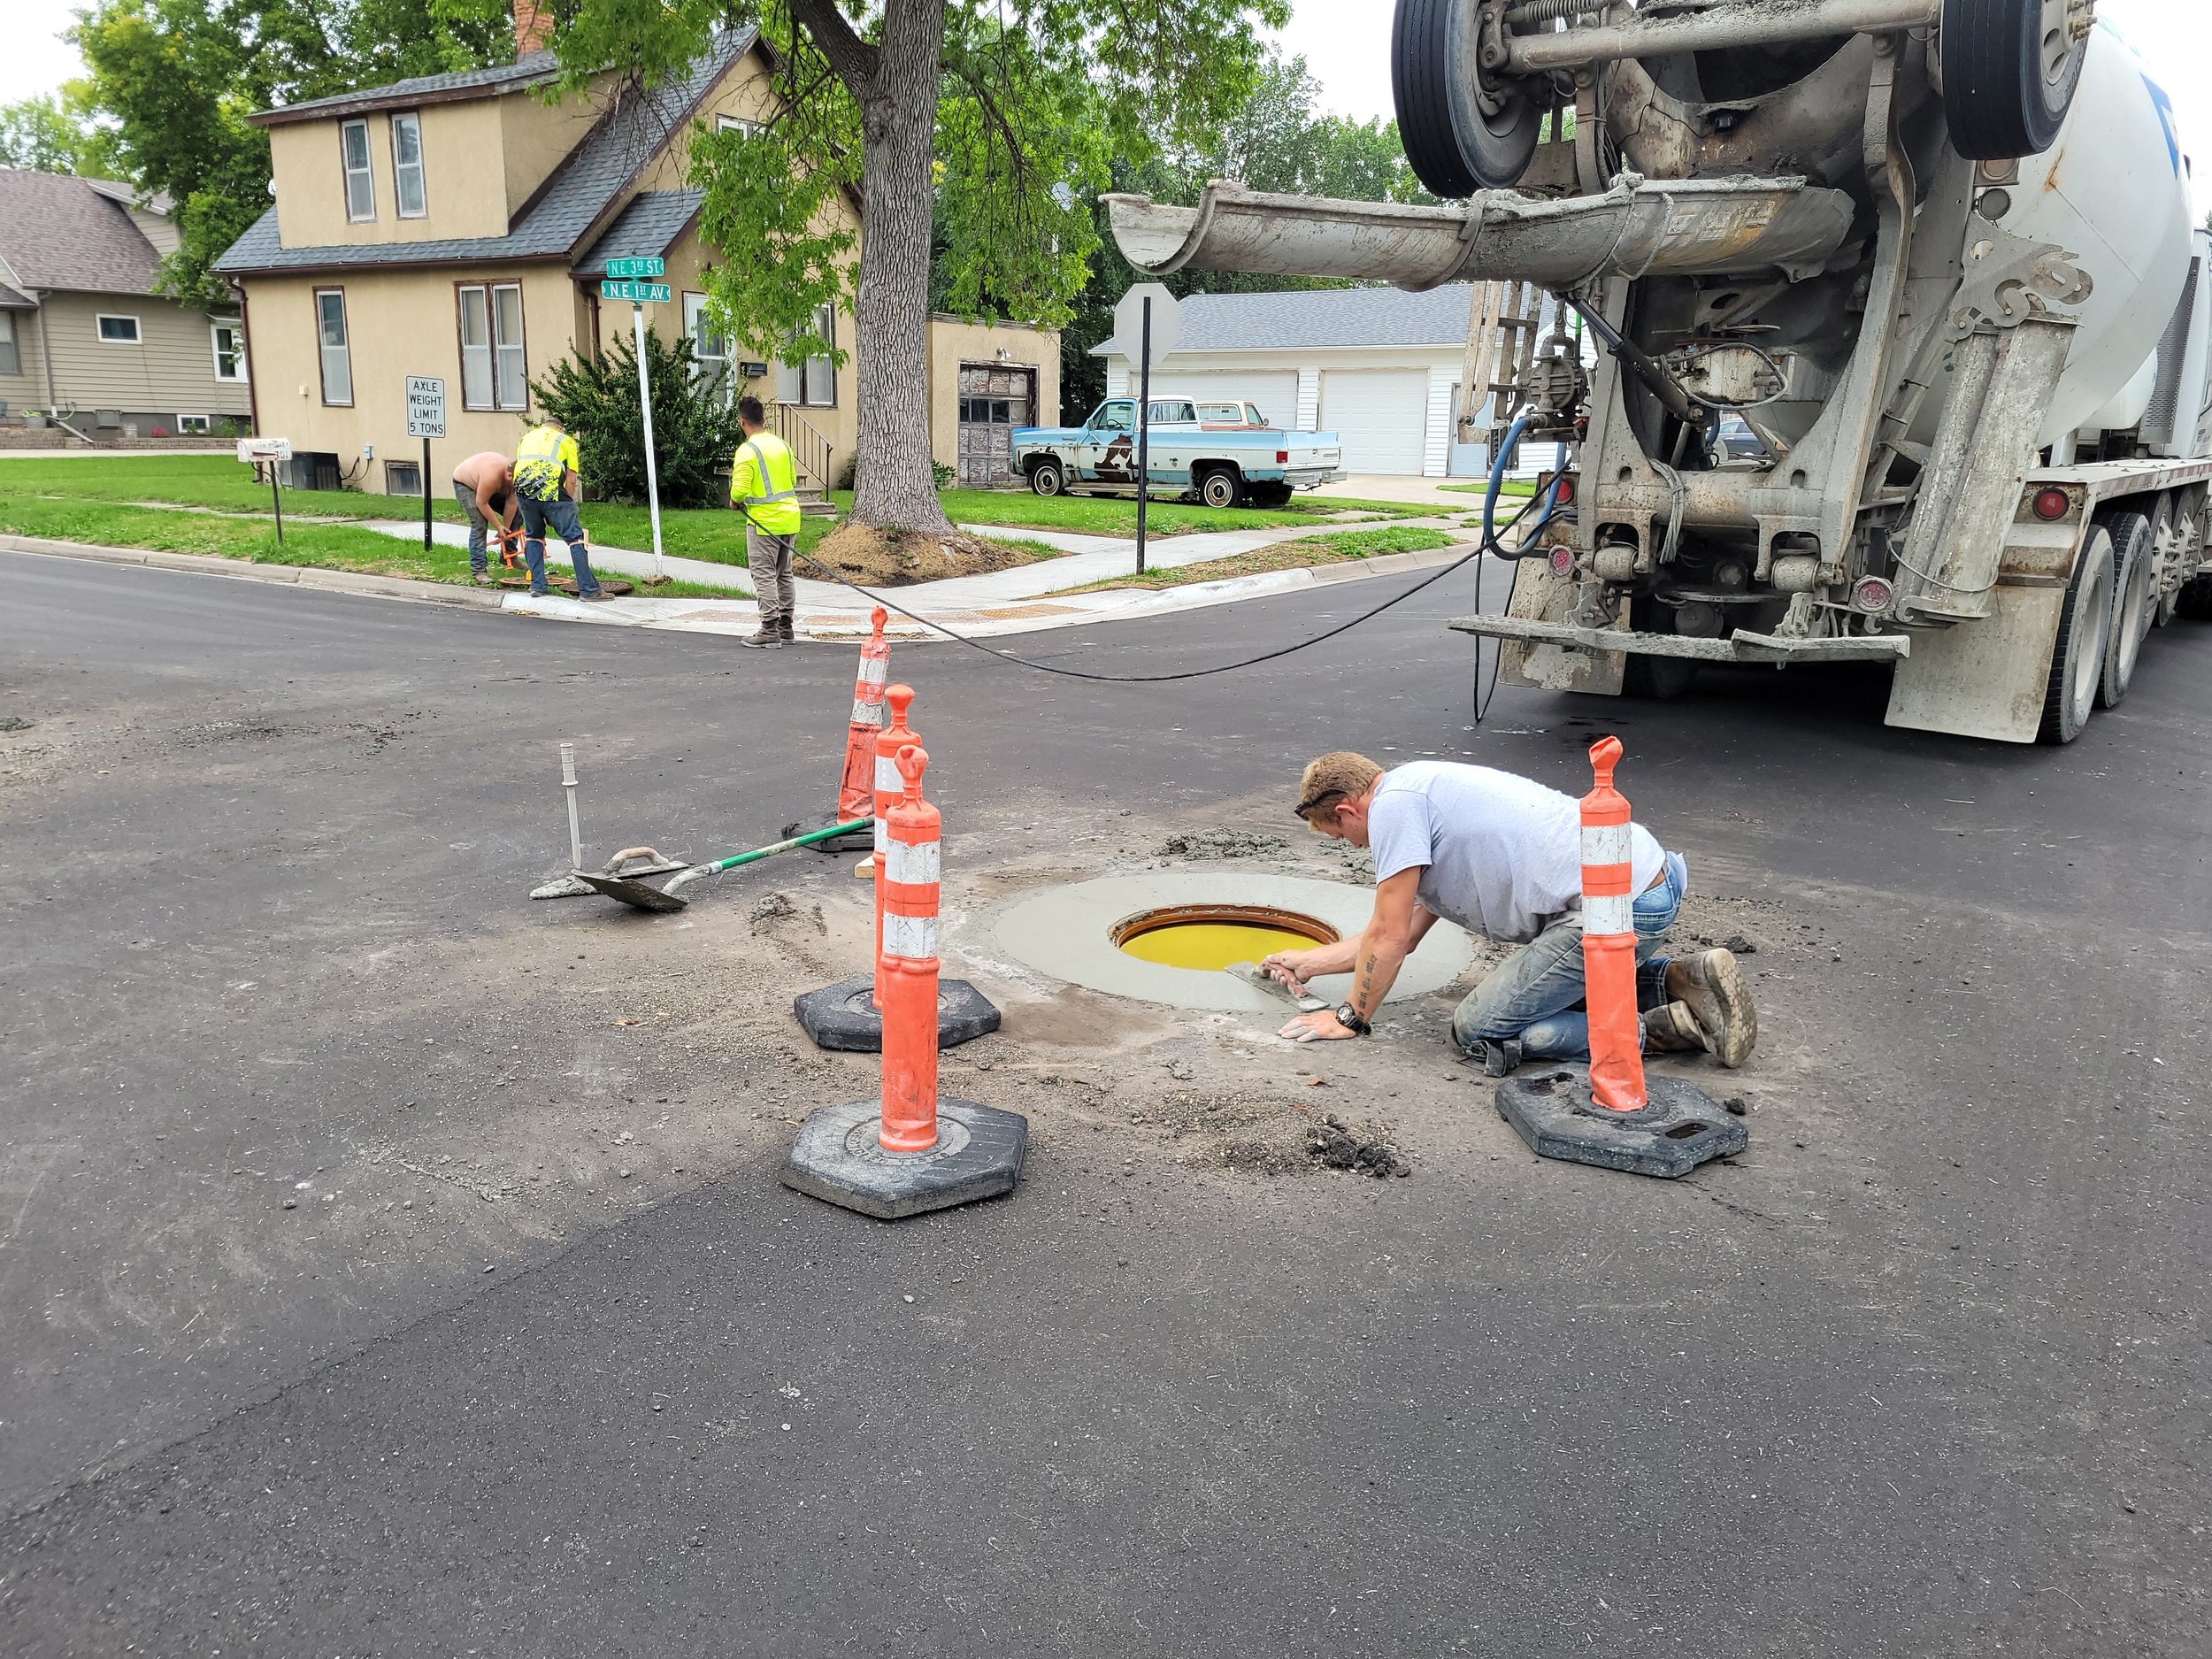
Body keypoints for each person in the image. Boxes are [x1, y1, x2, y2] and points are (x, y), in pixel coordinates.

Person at [1263, 752, 1756, 1072]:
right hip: (1641, 884)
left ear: (1347, 810)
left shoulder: (1394, 811)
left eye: (1341, 835)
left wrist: (1351, 1017)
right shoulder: (1421, 787)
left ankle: (1668, 1029)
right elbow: (1400, 935)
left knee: (1479, 1029)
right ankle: (1678, 978)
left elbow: (1387, 938)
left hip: (1612, 910)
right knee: (1533, 990)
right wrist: (1310, 963)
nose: (1354, 845)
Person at [730, 395, 804, 648]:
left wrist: (735, 501)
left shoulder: (747, 450)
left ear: (742, 422)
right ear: (763, 418)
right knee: (784, 574)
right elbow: (792, 480)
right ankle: (786, 627)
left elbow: (739, 490)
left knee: (763, 575)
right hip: (790, 518)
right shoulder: (782, 445)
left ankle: (769, 629)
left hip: (764, 522)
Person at [511, 413, 608, 602]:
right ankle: (589, 590)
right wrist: (566, 503)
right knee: (576, 538)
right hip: (551, 489)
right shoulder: (565, 440)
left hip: (523, 492)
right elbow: (571, 478)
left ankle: (537, 585)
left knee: (533, 536)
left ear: (542, 426)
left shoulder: (526, 438)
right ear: (560, 428)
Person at [449, 451, 520, 586]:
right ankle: (479, 570)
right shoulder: (492, 476)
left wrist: (505, 529)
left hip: (489, 485)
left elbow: (512, 503)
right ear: (509, 476)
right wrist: (498, 526)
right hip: (466, 485)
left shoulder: (516, 477)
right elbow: (482, 503)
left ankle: (509, 557)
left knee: (518, 514)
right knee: (480, 523)